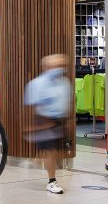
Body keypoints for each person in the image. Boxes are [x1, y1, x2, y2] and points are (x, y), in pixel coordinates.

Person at [24, 54, 72, 195]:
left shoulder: (64, 83)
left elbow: (68, 101)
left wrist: (68, 121)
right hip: (44, 120)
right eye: (57, 65)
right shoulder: (37, 84)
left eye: (62, 65)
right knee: (51, 152)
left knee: (54, 152)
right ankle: (52, 181)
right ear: (47, 67)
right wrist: (35, 126)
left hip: (59, 121)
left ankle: (38, 158)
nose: (60, 68)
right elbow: (31, 106)